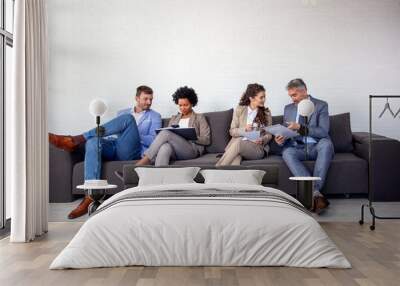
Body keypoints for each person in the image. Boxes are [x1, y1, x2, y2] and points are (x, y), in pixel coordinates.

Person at [49, 85, 161, 219]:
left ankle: (77, 139)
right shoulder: (122, 112)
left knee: (128, 119)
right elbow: (112, 132)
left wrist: (132, 131)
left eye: (151, 99)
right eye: (146, 99)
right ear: (137, 98)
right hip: (115, 144)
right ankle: (90, 195)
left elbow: (154, 139)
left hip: (132, 149)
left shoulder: (155, 116)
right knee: (93, 141)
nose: (149, 102)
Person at [275, 78, 334, 213]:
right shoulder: (288, 108)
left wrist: (301, 127)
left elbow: (323, 131)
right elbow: (286, 132)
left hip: (317, 145)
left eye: (294, 95)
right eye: (290, 96)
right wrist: (280, 140)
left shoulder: (321, 105)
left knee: (327, 144)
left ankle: (312, 193)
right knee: (287, 152)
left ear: (305, 91)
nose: (292, 99)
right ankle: (316, 193)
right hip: (297, 147)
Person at [136, 86, 210, 166]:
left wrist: (190, 137)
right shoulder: (174, 118)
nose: (182, 108)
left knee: (166, 133)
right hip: (176, 150)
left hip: (191, 150)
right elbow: (168, 136)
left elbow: (206, 140)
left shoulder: (199, 117)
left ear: (192, 103)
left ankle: (146, 159)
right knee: (165, 147)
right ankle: (159, 175)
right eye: (180, 105)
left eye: (186, 105)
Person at [216, 83, 273, 166]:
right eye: (261, 97)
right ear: (251, 98)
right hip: (237, 147)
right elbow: (232, 131)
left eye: (264, 97)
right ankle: (230, 177)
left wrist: (262, 139)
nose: (264, 99)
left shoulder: (266, 113)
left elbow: (269, 134)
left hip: (256, 147)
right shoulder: (240, 110)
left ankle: (217, 170)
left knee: (239, 143)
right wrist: (244, 129)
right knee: (235, 159)